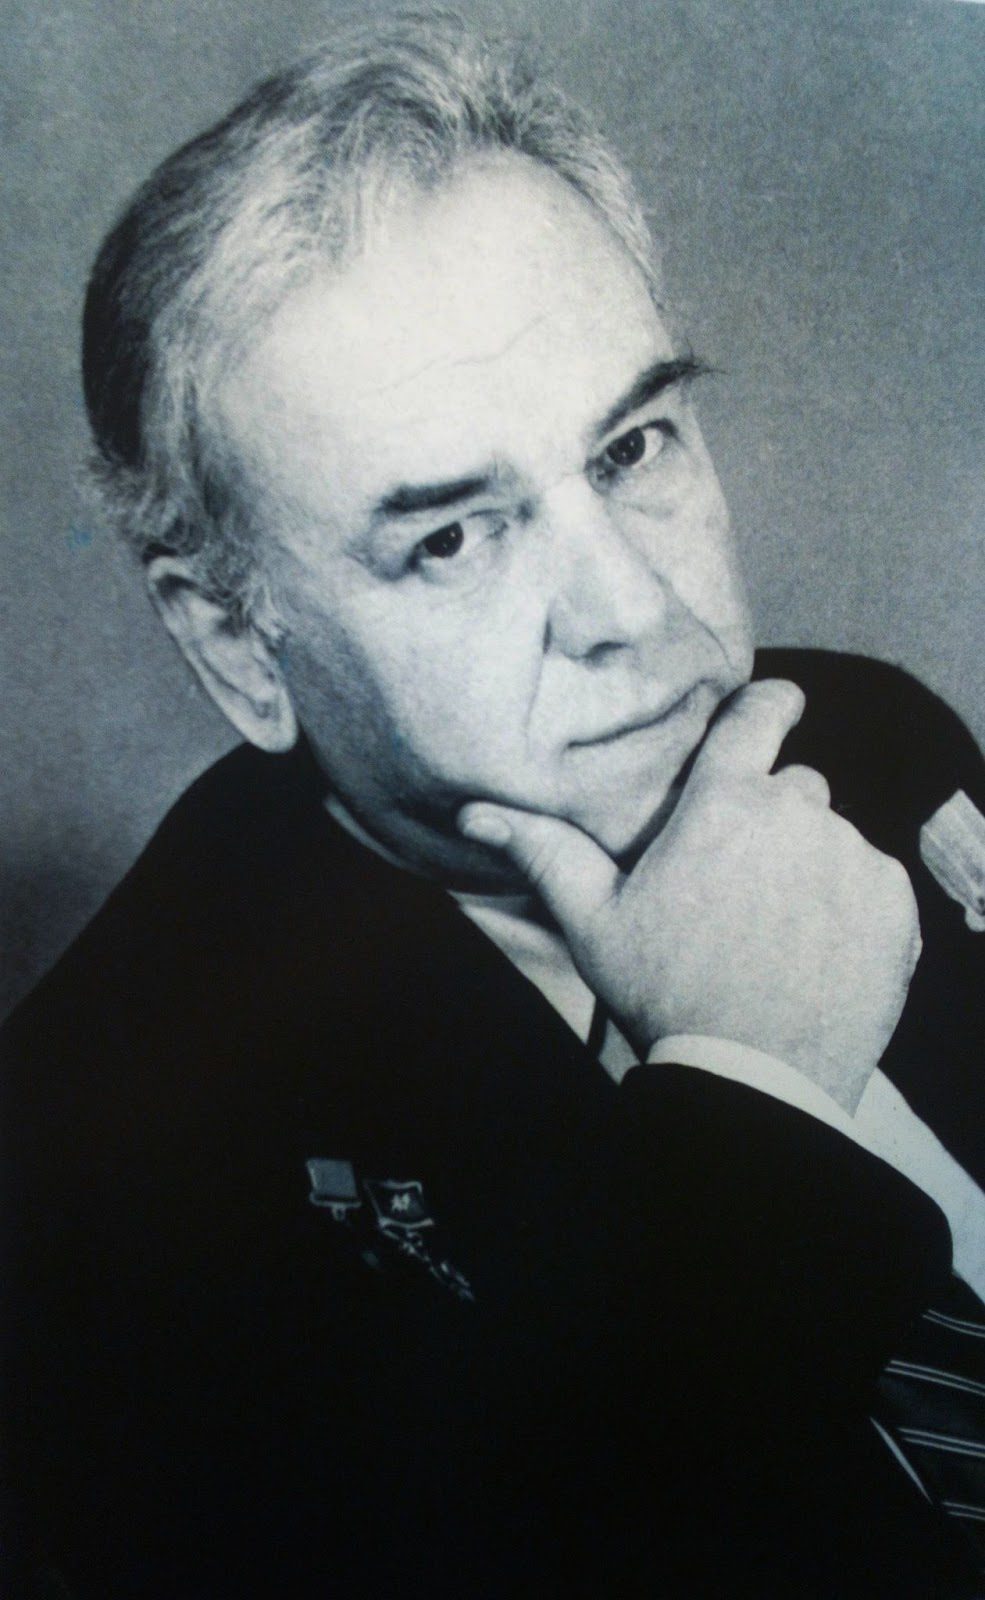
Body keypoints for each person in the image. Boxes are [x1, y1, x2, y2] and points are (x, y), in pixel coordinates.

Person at [3, 14, 983, 1598]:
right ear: (236, 644)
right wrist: (755, 1097)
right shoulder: (90, 1182)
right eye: (452, 539)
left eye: (633, 445)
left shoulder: (863, 735)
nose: (635, 611)